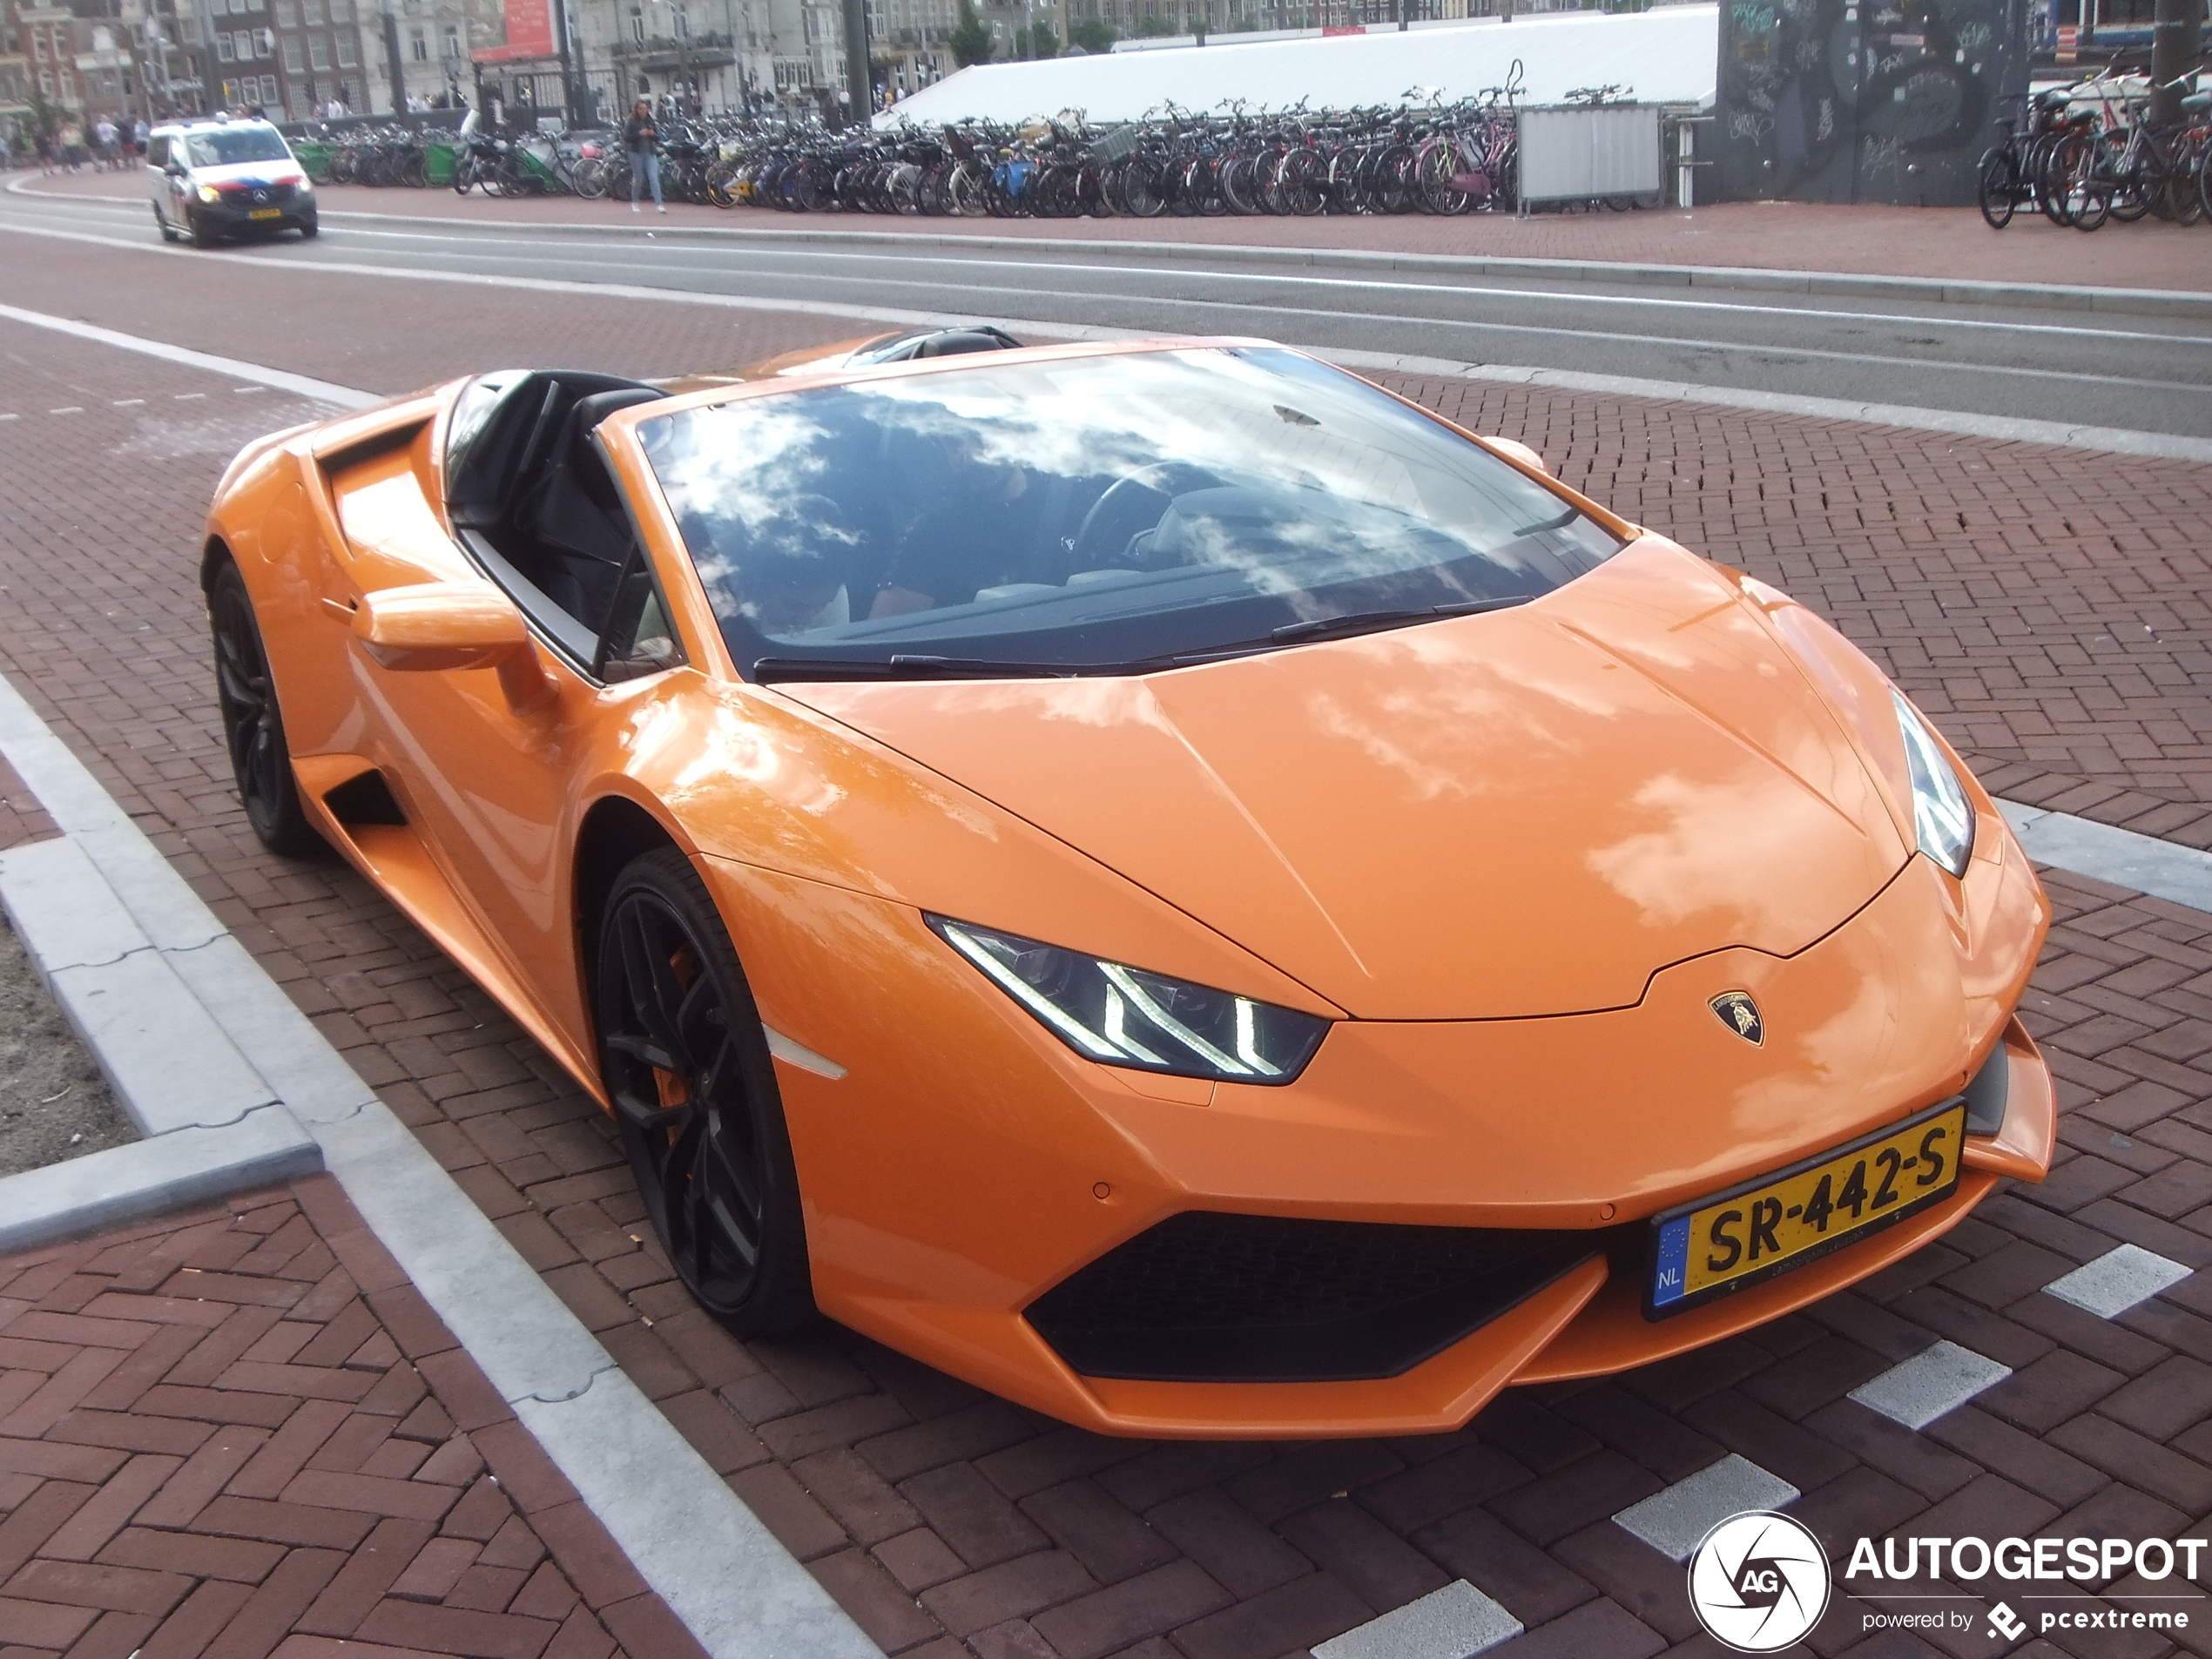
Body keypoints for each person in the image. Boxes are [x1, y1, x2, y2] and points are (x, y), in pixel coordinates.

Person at [624, 98, 664, 213]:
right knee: (639, 177)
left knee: (653, 177)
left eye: (645, 109)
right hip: (636, 152)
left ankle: (659, 204)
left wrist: (652, 134)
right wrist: (639, 134)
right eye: (641, 109)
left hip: (649, 152)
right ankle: (635, 202)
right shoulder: (631, 121)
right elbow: (626, 137)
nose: (644, 111)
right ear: (636, 109)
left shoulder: (650, 121)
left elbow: (657, 137)